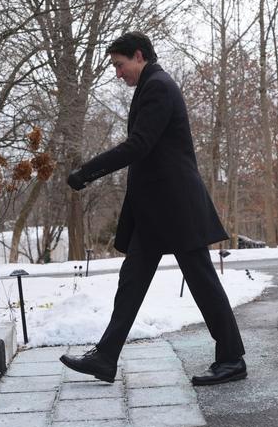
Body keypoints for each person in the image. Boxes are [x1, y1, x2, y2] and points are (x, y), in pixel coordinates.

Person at [61, 31, 246, 386]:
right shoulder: (150, 86)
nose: (118, 74)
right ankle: (105, 357)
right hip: (157, 211)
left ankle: (232, 358)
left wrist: (87, 172)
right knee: (131, 281)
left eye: (119, 65)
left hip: (176, 207)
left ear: (139, 55)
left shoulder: (158, 86)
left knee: (202, 281)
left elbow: (139, 145)